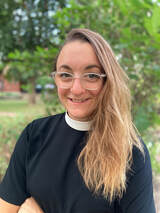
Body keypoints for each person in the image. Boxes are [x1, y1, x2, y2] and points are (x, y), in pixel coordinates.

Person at [0, 28, 156, 213]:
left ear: (108, 81)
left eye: (91, 76)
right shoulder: (34, 134)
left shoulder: (131, 152)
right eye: (65, 75)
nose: (76, 89)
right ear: (56, 79)